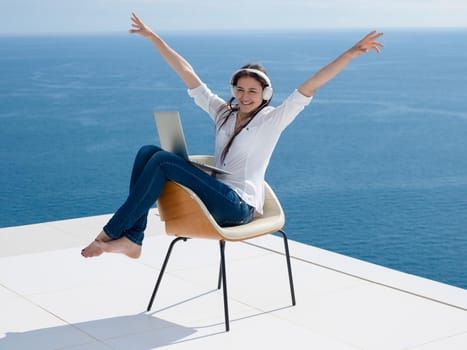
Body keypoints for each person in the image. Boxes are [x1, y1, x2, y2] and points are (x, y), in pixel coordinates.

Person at [81, 13, 384, 259]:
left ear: (265, 94)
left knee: (161, 161)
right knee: (148, 152)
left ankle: (112, 232)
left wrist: (351, 53)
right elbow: (188, 73)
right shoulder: (223, 112)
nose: (245, 95)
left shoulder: (272, 120)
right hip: (217, 194)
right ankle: (133, 238)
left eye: (252, 90)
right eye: (240, 89)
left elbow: (312, 84)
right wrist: (155, 38)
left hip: (239, 208)